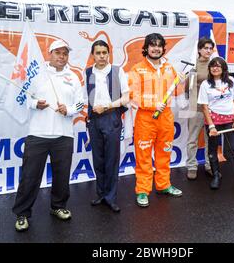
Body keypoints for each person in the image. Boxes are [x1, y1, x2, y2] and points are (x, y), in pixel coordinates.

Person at [12, 39, 84, 232]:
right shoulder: (36, 74)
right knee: (30, 177)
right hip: (38, 134)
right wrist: (36, 104)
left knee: (62, 176)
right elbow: (22, 96)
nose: (62, 57)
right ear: (50, 54)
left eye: (65, 53)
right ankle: (22, 214)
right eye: (58, 53)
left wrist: (68, 109)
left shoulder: (73, 77)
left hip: (64, 135)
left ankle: (58, 207)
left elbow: (81, 103)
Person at [128, 33, 185, 208]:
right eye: (152, 45)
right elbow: (133, 95)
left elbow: (177, 92)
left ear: (163, 48)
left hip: (166, 117)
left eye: (159, 45)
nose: (156, 48)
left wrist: (182, 82)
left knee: (164, 153)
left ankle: (163, 185)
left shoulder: (169, 68)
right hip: (146, 118)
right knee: (144, 156)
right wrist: (153, 104)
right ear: (146, 48)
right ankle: (143, 190)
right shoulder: (137, 69)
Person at [85, 40, 129, 213]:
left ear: (108, 54)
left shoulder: (117, 71)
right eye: (98, 53)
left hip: (111, 117)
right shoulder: (88, 72)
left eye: (105, 52)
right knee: (98, 159)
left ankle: (111, 197)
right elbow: (85, 98)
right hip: (94, 119)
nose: (102, 56)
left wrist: (108, 106)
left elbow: (126, 99)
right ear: (93, 55)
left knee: (111, 160)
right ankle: (101, 194)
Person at [198, 57, 234, 194]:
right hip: (213, 122)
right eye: (212, 66)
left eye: (218, 66)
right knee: (212, 150)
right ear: (209, 68)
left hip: (230, 121)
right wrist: (211, 126)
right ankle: (216, 175)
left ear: (223, 68)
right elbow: (204, 107)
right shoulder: (205, 84)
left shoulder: (231, 82)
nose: (215, 68)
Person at [184, 37, 215, 180]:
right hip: (195, 108)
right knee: (192, 139)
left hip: (213, 109)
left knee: (211, 139)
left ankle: (210, 165)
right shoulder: (192, 65)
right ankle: (191, 166)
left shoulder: (215, 64)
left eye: (210, 48)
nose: (208, 51)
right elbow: (187, 88)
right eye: (205, 48)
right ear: (199, 50)